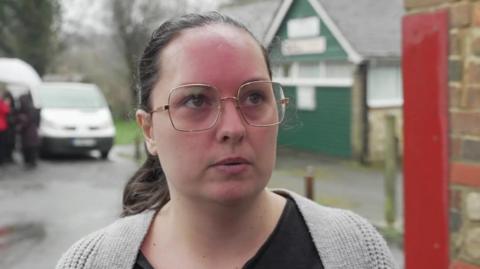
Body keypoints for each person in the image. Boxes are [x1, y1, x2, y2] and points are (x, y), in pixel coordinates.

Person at [56, 12, 396, 269]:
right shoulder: (91, 262)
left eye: (254, 97)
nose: (233, 128)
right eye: (196, 101)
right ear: (149, 130)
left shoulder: (354, 252)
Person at [17, 92, 40, 168]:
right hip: (31, 131)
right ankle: (31, 162)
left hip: (28, 132)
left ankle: (30, 162)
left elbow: (27, 121)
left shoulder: (27, 110)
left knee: (29, 147)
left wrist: (20, 126)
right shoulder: (31, 107)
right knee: (30, 147)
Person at [0, 89, 11, 165]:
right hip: (2, 127)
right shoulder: (1, 103)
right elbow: (7, 111)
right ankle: (1, 160)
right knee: (2, 144)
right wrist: (7, 104)